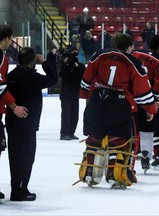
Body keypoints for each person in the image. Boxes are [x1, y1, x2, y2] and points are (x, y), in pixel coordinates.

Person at [78, 33, 157, 188]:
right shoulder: (133, 61)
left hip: (97, 101)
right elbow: (142, 88)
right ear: (129, 46)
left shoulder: (98, 55)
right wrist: (150, 109)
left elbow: (86, 78)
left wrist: (85, 94)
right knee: (118, 139)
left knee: (95, 136)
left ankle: (90, 172)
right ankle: (115, 174)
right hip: (119, 104)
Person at [5, 47, 58, 201]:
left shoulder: (11, 75)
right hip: (27, 124)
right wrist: (46, 62)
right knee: (26, 157)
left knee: (14, 157)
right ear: (32, 61)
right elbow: (53, 78)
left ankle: (17, 187)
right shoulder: (32, 78)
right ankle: (20, 190)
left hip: (12, 122)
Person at [0, 24, 28, 201]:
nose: (11, 42)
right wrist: (13, 106)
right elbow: (0, 86)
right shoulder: (1, 57)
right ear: (6, 38)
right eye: (10, 39)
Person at [132, 35, 159, 173]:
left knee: (134, 129)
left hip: (134, 97)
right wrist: (157, 101)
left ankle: (135, 155)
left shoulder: (136, 55)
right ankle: (147, 154)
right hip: (148, 98)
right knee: (148, 128)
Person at [59, 47, 86, 140]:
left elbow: (83, 73)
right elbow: (63, 75)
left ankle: (71, 132)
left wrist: (77, 66)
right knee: (66, 114)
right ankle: (64, 133)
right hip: (66, 93)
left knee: (74, 115)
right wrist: (65, 64)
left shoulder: (79, 65)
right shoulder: (64, 65)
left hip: (75, 93)